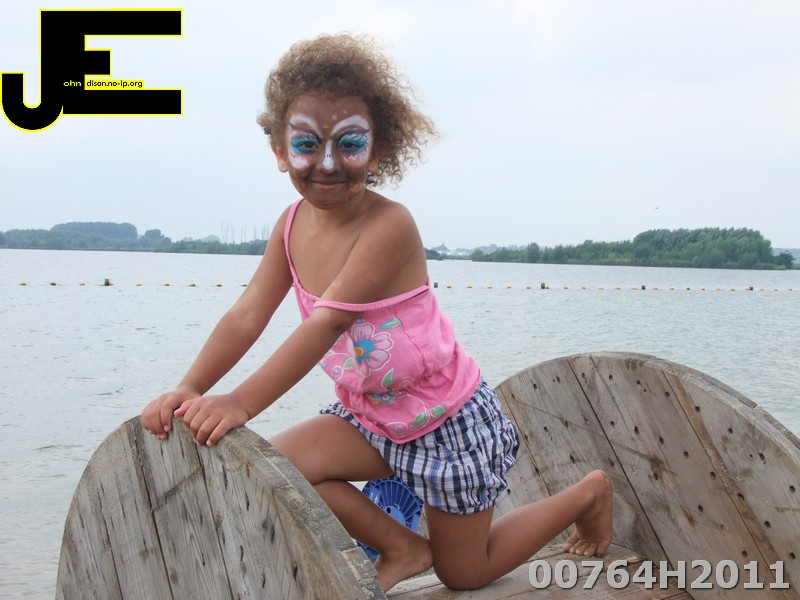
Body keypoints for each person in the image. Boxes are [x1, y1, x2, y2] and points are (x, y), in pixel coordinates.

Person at [141, 33, 612, 592]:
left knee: (465, 573)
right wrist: (191, 387)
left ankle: (588, 495)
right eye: (306, 144)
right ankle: (402, 547)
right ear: (279, 150)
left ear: (379, 149)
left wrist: (240, 402)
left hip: (445, 422)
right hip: (369, 417)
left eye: (350, 143)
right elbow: (248, 314)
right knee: (284, 470)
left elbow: (329, 323)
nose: (327, 163)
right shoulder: (289, 227)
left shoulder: (390, 225)